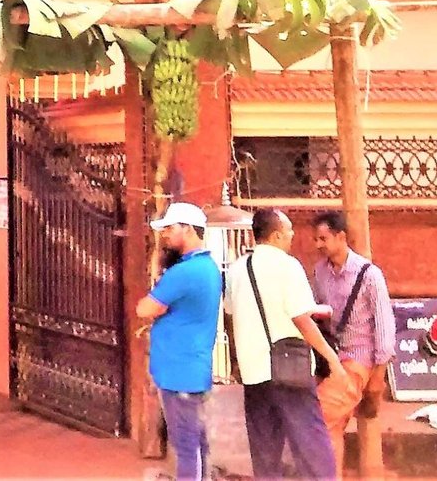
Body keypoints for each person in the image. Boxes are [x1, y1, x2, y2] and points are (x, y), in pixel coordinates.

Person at [225, 208, 356, 481]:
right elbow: (302, 319)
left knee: (265, 449)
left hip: (253, 371)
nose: (292, 237)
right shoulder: (287, 266)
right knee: (312, 445)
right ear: (275, 235)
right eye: (288, 232)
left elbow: (230, 313)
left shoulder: (238, 269)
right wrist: (332, 360)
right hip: (289, 369)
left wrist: (237, 360)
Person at [136, 203, 223, 481]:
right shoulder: (205, 267)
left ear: (187, 229)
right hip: (190, 367)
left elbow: (145, 309)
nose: (166, 236)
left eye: (170, 229)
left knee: (186, 447)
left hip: (179, 371)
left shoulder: (184, 272)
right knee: (196, 442)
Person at [309, 211, 396, 476]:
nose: (318, 245)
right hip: (331, 359)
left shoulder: (369, 275)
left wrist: (377, 381)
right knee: (331, 426)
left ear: (341, 237)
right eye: (315, 239)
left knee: (318, 417)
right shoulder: (320, 271)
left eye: (323, 238)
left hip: (358, 361)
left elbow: (384, 326)